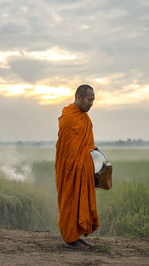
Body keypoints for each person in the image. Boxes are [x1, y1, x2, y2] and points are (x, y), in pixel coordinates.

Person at [55, 84, 99, 249]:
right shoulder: (69, 117)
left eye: (93, 100)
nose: (91, 103)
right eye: (89, 99)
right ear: (79, 97)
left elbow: (86, 145)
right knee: (70, 201)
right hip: (70, 170)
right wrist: (81, 162)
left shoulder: (85, 119)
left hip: (82, 168)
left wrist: (94, 153)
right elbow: (69, 150)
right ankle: (70, 238)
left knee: (79, 201)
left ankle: (76, 236)